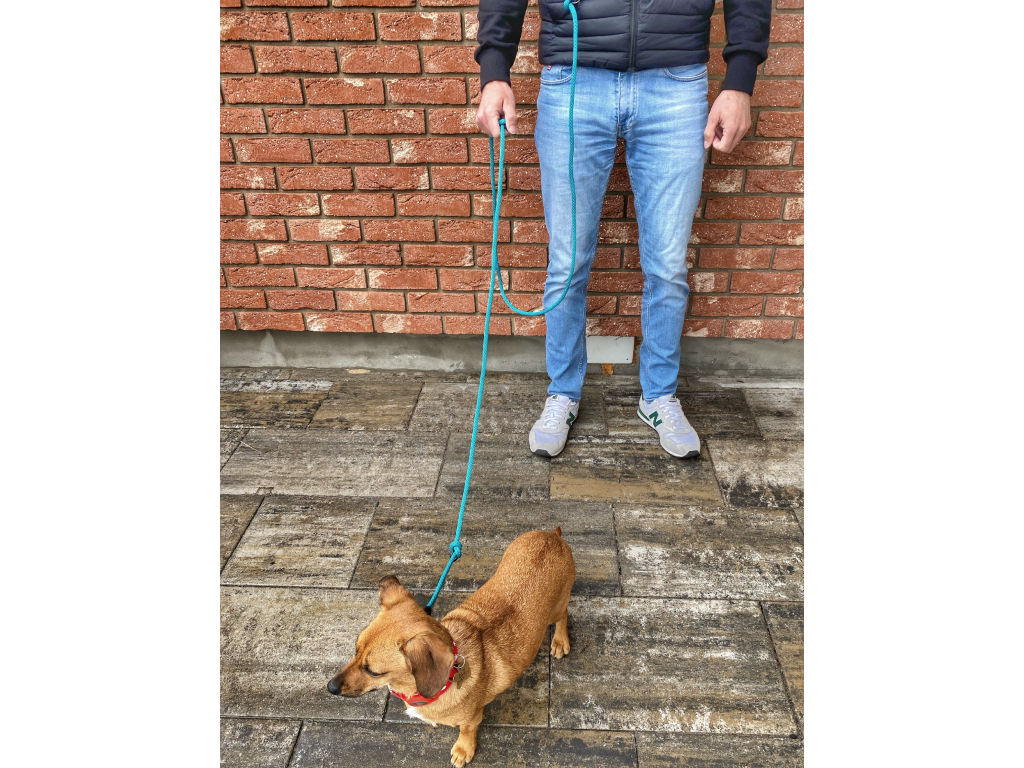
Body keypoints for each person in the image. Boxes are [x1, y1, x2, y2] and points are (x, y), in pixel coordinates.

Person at [475, 0, 772, 458]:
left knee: (668, 265)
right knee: (567, 262)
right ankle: (563, 392)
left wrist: (739, 82)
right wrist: (495, 70)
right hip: (574, 76)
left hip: (675, 81)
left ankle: (658, 396)